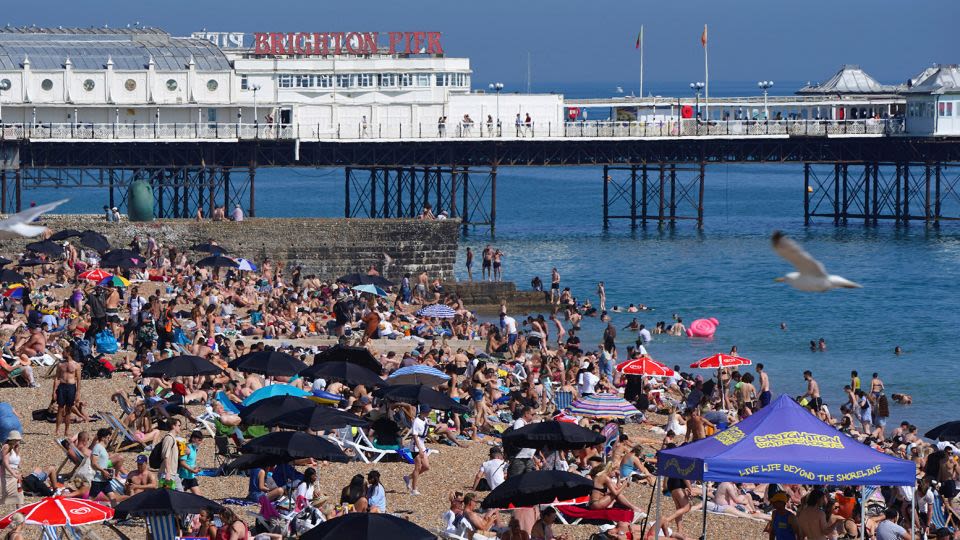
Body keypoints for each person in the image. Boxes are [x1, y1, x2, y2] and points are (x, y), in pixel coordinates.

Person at [53, 345, 81, 437]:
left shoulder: (76, 365)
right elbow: (56, 378)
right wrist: (54, 391)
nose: (62, 353)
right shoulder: (60, 364)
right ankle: (57, 429)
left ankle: (66, 430)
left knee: (68, 410)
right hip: (62, 386)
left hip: (71, 387)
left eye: (64, 351)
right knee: (60, 409)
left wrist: (78, 393)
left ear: (68, 353)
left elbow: (79, 380)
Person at [404, 406, 430, 495]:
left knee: (426, 466)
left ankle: (408, 477)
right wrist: (419, 449)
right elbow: (414, 436)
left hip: (422, 444)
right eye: (426, 412)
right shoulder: (416, 421)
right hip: (415, 446)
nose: (427, 413)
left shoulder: (425, 420)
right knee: (418, 467)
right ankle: (414, 489)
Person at [509, 407, 538, 477]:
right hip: (520, 458)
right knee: (515, 480)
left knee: (529, 480)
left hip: (528, 457)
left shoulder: (526, 424)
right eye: (532, 414)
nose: (533, 416)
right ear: (526, 414)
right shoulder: (519, 422)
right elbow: (518, 436)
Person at [0, 431, 23, 505]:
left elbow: (17, 462)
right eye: (17, 440)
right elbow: (5, 462)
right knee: (8, 497)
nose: (18, 441)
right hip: (8, 474)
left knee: (19, 496)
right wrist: (13, 473)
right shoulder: (6, 446)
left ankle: (19, 514)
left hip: (15, 473)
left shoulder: (15, 448)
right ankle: (17, 514)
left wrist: (19, 471)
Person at [179, 430, 204, 495]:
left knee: (199, 497)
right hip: (183, 477)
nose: (200, 442)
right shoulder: (187, 448)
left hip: (191, 477)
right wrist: (192, 470)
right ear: (193, 439)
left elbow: (190, 462)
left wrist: (196, 468)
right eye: (199, 440)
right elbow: (182, 463)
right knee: (178, 497)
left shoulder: (195, 448)